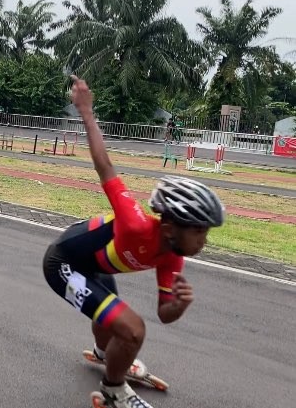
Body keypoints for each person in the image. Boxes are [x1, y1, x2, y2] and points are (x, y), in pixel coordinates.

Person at [42, 76, 225, 408]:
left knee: (111, 322)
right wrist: (86, 111)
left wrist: (179, 306)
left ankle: (104, 353)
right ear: (170, 224)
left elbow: (164, 313)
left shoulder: (173, 255)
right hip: (62, 263)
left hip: (97, 267)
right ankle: (112, 390)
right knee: (132, 329)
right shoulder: (136, 221)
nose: (203, 240)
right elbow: (104, 165)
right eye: (199, 230)